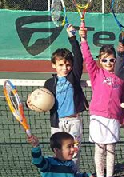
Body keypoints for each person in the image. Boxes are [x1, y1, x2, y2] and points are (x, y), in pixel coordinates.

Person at [79, 26, 124, 177]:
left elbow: (122, 100)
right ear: (100, 61)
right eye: (105, 60)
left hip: (113, 119)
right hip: (98, 118)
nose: (108, 63)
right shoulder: (96, 73)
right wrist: (83, 39)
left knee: (111, 150)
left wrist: (121, 118)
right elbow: (87, 57)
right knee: (100, 149)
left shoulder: (120, 79)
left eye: (111, 60)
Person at [36, 24, 88, 154]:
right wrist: (30, 103)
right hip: (57, 123)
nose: (65, 68)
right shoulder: (49, 83)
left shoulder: (73, 77)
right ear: (54, 65)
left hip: (74, 122)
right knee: (58, 153)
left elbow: (78, 57)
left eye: (68, 65)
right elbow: (42, 100)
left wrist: (72, 38)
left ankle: (73, 168)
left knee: (74, 153)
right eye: (60, 65)